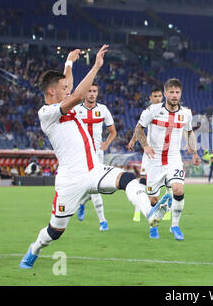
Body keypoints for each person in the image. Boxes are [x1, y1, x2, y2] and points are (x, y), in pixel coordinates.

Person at [20, 46, 170, 269]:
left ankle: (151, 213)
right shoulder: (47, 113)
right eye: (63, 88)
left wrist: (69, 63)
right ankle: (34, 249)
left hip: (94, 170)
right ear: (52, 92)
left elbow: (69, 85)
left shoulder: (63, 100)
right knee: (55, 231)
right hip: (70, 180)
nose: (67, 89)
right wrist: (97, 66)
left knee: (127, 178)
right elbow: (79, 93)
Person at [133, 78, 201, 240]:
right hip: (154, 160)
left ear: (181, 94)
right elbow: (139, 128)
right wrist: (145, 146)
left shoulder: (186, 113)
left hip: (173, 158)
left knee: (178, 189)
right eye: (171, 92)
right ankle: (154, 225)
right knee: (153, 198)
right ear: (165, 94)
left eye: (177, 92)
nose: (174, 95)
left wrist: (195, 152)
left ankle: (175, 226)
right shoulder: (153, 110)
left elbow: (190, 132)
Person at [74, 82, 117, 231]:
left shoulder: (103, 109)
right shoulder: (76, 110)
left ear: (97, 93)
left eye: (94, 91)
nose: (92, 94)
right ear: (85, 93)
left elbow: (113, 131)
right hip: (81, 154)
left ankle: (83, 205)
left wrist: (107, 143)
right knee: (92, 187)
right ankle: (102, 221)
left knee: (95, 187)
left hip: (98, 154)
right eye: (89, 91)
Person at [127, 87, 169, 223]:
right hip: (150, 154)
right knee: (143, 182)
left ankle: (166, 212)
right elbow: (140, 127)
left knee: (168, 183)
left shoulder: (168, 110)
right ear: (150, 98)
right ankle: (138, 212)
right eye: (155, 96)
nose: (157, 99)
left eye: (159, 96)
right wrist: (133, 140)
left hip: (165, 153)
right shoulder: (149, 112)